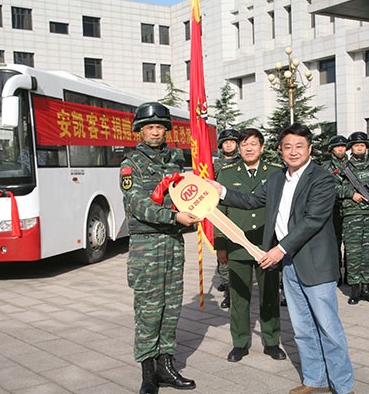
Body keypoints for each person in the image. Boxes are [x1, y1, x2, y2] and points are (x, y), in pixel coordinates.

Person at [211, 123, 355, 394]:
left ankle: (344, 385)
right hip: (290, 265)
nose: (293, 151)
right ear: (279, 150)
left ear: (310, 149)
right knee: (302, 327)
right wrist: (220, 191)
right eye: (287, 146)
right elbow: (252, 201)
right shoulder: (277, 179)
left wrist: (280, 249)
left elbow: (313, 220)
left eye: (299, 146)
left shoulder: (321, 178)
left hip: (315, 263)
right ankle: (316, 380)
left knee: (328, 327)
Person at [121, 102, 198, 394]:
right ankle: (148, 374)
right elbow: (137, 205)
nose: (155, 132)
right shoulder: (131, 165)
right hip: (147, 246)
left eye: (159, 127)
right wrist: (173, 216)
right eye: (149, 127)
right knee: (149, 311)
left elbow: (184, 193)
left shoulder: (174, 161)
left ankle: (167, 366)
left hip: (172, 244)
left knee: (171, 307)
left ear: (166, 130)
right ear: (140, 132)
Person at [214, 128, 284, 362]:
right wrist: (220, 244)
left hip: (267, 245)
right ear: (238, 148)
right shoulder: (226, 173)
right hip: (237, 245)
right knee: (239, 297)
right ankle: (240, 342)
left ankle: (272, 341)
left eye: (254, 143)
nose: (249, 148)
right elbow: (219, 211)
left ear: (262, 147)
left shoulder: (275, 172)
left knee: (269, 295)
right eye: (244, 144)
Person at [337, 131, 369, 305]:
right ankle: (355, 289)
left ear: (366, 147)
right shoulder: (344, 169)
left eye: (362, 145)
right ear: (351, 148)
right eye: (356, 145)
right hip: (351, 216)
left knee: (367, 253)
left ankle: (366, 288)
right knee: (353, 253)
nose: (359, 148)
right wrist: (351, 194)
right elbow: (331, 187)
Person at [212, 128, 240, 306]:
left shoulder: (243, 161)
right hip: (220, 210)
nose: (229, 144)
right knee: (223, 253)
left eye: (232, 141)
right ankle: (229, 290)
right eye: (225, 142)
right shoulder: (214, 165)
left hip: (239, 209)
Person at [322, 135, 349, 286]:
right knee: (335, 243)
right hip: (333, 209)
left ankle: (351, 276)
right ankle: (337, 273)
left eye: (343, 146)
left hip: (351, 210)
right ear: (332, 149)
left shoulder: (352, 164)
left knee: (351, 244)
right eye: (337, 146)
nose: (340, 149)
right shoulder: (325, 167)